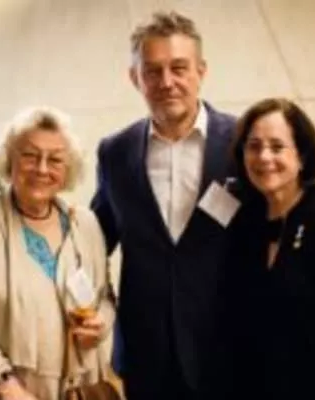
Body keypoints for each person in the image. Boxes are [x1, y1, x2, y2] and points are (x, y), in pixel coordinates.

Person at [90, 10, 238, 400]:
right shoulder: (115, 152)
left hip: (229, 348)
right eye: (152, 71)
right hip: (146, 355)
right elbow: (92, 243)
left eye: (179, 68)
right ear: (134, 78)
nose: (166, 82)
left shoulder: (244, 143)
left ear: (201, 71)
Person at [0, 106, 117, 400]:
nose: (42, 169)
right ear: (9, 159)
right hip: (2, 390)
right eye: (30, 155)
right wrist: (4, 382)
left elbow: (106, 297)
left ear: (68, 169)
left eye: (55, 159)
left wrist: (100, 325)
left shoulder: (85, 223)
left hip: (77, 389)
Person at [226, 97, 315, 399]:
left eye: (277, 146)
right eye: (254, 146)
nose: (264, 157)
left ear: (302, 156)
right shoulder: (244, 223)